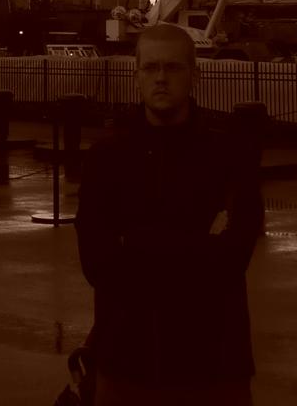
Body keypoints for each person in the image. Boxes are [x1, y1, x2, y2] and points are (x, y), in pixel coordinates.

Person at [74, 23, 263, 405]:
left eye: (173, 67)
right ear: (137, 76)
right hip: (127, 364)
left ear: (195, 75)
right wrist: (196, 246)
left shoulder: (230, 157)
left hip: (213, 369)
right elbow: (96, 262)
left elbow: (232, 259)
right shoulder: (106, 159)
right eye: (151, 67)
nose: (161, 78)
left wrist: (135, 243)